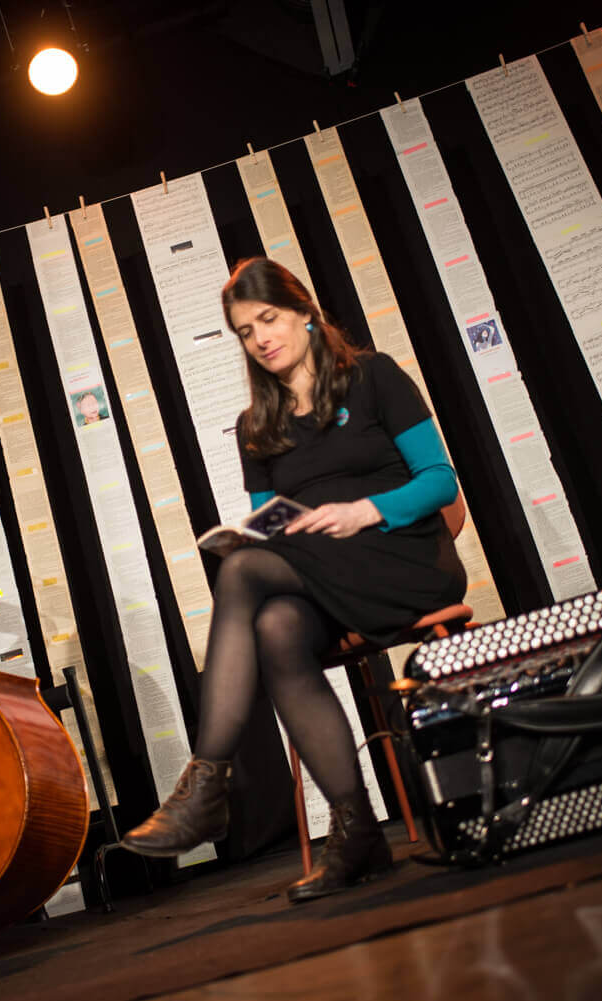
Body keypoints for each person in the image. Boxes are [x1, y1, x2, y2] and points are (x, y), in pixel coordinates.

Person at [120, 258, 465, 902]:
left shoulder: (374, 377)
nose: (261, 339)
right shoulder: (257, 426)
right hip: (324, 578)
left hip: (403, 558)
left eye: (268, 319)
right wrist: (274, 531)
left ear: (304, 310)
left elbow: (441, 483)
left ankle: (207, 784)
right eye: (246, 331)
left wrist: (364, 510)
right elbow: (263, 525)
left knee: (245, 570)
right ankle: (358, 833)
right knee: (276, 625)